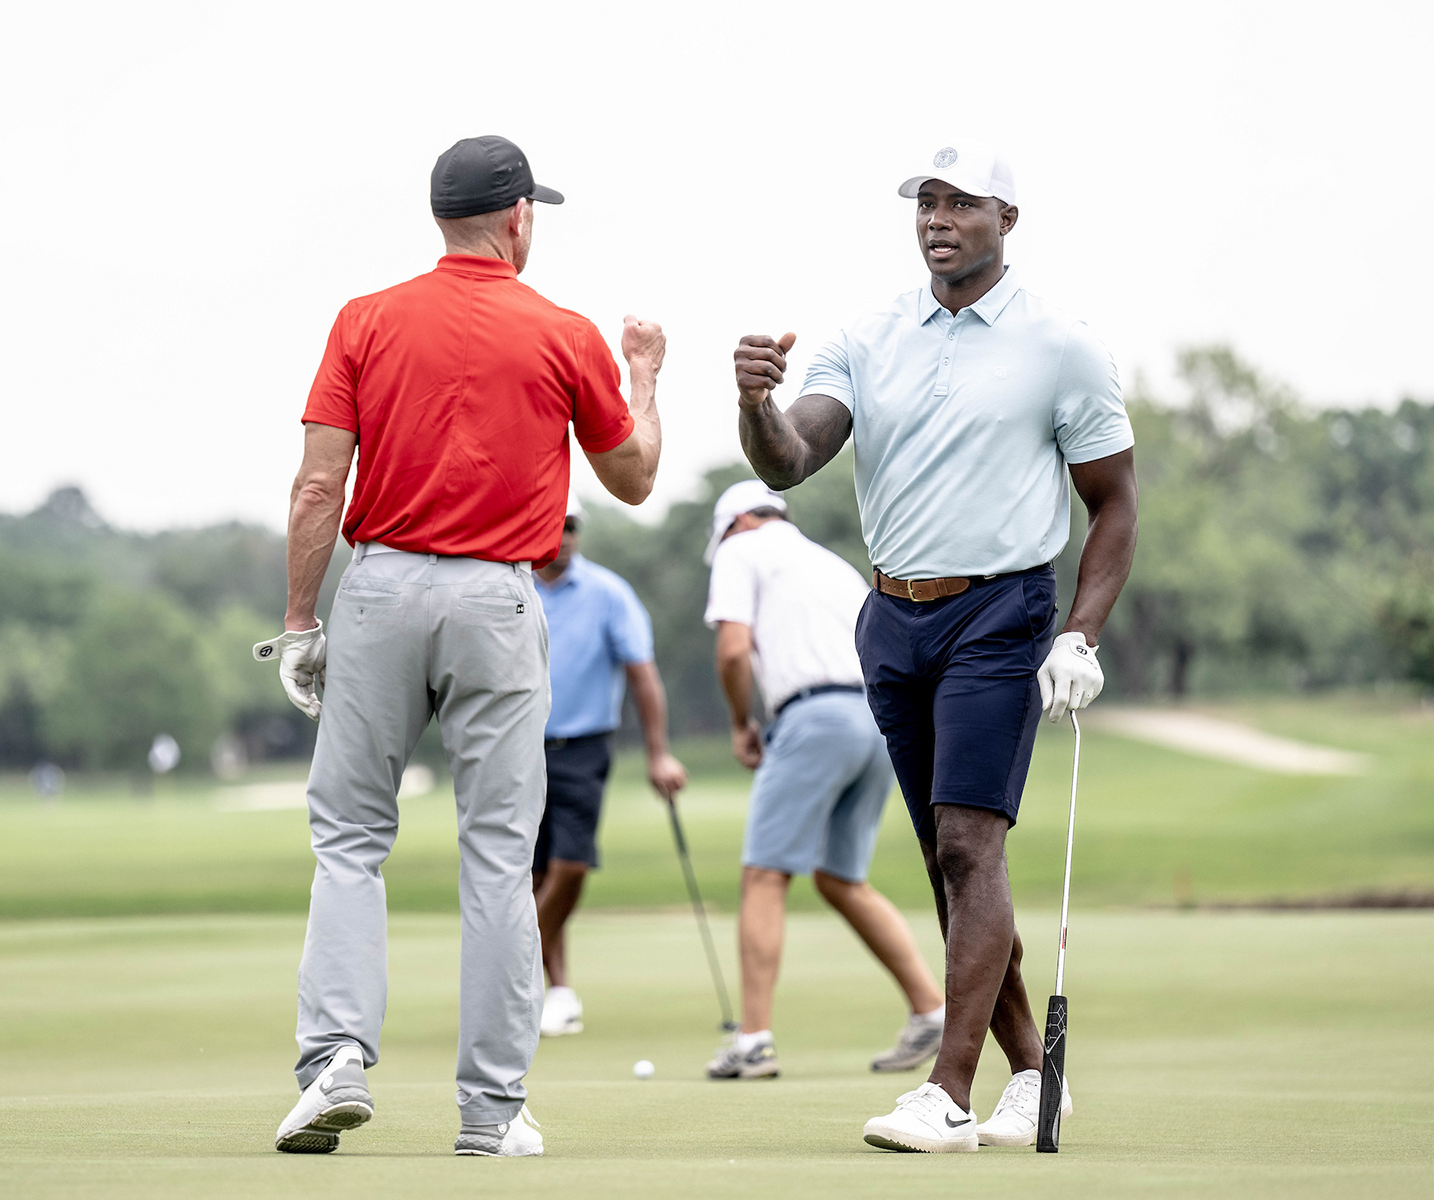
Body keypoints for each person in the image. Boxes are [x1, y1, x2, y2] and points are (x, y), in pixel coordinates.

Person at [258, 134, 667, 1159]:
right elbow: (633, 479)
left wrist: (300, 622)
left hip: (378, 586)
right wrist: (644, 376)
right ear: (519, 217)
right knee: (497, 855)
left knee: (350, 837)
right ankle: (490, 1112)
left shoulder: (364, 319)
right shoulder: (563, 331)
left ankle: (335, 1060)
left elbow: (319, 485)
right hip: (496, 598)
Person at [729, 142, 1137, 1153]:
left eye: (961, 203)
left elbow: (1115, 504)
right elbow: (792, 456)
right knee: (948, 857)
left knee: (967, 846)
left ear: (1008, 218)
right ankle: (1036, 1078)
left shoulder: (1062, 345)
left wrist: (1080, 633)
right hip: (892, 618)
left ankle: (948, 1095)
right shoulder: (867, 336)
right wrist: (755, 404)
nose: (938, 218)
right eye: (927, 202)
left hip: (1001, 612)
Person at [699, 480, 945, 1081]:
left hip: (812, 717)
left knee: (765, 873)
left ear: (738, 523)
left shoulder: (740, 549)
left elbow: (732, 650)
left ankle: (753, 1041)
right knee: (841, 878)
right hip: (877, 720)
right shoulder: (831, 563)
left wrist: (740, 723)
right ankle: (931, 1009)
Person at [532, 494, 688, 1037]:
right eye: (555, 525)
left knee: (570, 866)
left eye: (572, 526)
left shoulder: (608, 592)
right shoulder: (511, 587)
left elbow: (643, 675)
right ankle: (557, 992)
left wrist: (657, 752)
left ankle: (512, 962)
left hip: (584, 747)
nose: (564, 536)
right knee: (530, 873)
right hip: (516, 747)